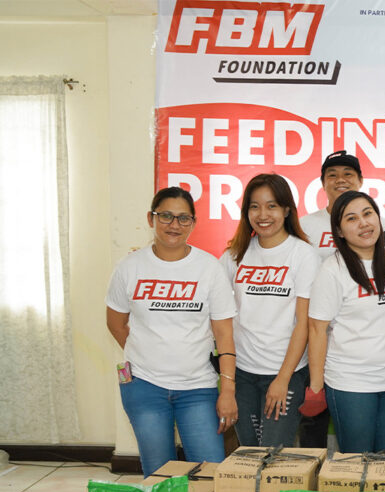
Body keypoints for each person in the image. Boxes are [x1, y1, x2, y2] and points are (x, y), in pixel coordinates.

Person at [106, 187, 237, 476]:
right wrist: (147, 351)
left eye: (183, 218)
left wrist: (227, 390)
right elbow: (115, 323)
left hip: (198, 389)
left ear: (193, 223)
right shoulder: (130, 267)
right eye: (165, 216)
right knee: (159, 474)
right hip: (144, 387)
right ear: (150, 218)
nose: (174, 225)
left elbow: (224, 334)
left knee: (208, 471)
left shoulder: (209, 268)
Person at [307, 191, 385, 454]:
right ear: (339, 231)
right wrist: (316, 388)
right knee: (356, 467)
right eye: (352, 219)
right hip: (349, 384)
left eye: (368, 214)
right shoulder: (333, 270)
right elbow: (317, 329)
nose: (364, 223)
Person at [220, 173, 321, 447]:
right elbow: (216, 312)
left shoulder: (303, 254)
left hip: (284, 372)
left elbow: (304, 323)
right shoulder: (235, 254)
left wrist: (283, 379)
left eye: (272, 205)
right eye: (254, 206)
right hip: (242, 372)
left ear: (287, 209)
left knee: (274, 456)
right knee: (250, 452)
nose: (263, 214)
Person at [298, 150, 385, 447]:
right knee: (314, 426)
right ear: (321, 182)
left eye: (348, 174)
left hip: (361, 343)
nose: (341, 180)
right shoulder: (304, 225)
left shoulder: (380, 222)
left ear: (361, 180)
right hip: (314, 335)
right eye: (332, 175)